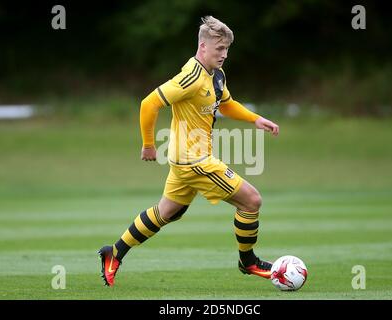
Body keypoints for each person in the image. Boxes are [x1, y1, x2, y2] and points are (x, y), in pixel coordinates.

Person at [98, 16, 279, 287]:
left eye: (227, 49)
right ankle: (248, 261)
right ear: (203, 46)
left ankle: (114, 253)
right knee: (251, 201)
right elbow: (149, 104)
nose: (224, 54)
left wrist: (255, 119)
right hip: (194, 161)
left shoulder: (216, 75)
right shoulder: (191, 77)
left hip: (186, 159)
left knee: (167, 212)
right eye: (219, 49)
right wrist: (148, 144)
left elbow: (225, 104)